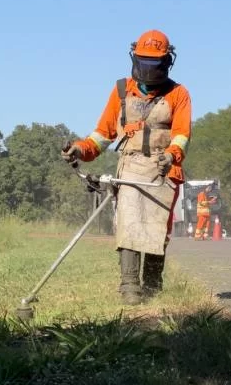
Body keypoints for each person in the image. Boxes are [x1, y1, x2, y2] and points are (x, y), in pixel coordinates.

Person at [62, 30, 192, 304]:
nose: (148, 68)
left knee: (157, 228)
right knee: (129, 223)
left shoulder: (178, 94)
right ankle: (130, 286)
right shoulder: (121, 90)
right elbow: (102, 135)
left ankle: (153, 286)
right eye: (144, 61)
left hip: (163, 170)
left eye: (154, 63)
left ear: (167, 62)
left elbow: (182, 134)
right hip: (131, 167)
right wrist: (80, 149)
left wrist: (171, 155)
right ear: (134, 59)